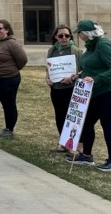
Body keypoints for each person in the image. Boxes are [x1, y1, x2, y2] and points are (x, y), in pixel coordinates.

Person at [68, 19, 111, 173]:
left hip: (109, 91)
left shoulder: (104, 44)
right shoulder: (91, 47)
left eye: (79, 32)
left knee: (107, 125)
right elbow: (90, 66)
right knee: (86, 122)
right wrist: (78, 75)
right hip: (94, 93)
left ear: (86, 33)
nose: (78, 35)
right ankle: (86, 156)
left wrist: (97, 78)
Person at [46, 24, 81, 152]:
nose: (64, 38)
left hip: (70, 88)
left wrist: (72, 78)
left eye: (67, 35)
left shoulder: (75, 50)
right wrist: (47, 78)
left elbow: (82, 70)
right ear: (56, 37)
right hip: (56, 89)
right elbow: (48, 68)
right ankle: (63, 142)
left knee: (70, 117)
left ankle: (73, 144)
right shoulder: (52, 50)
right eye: (61, 36)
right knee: (59, 116)